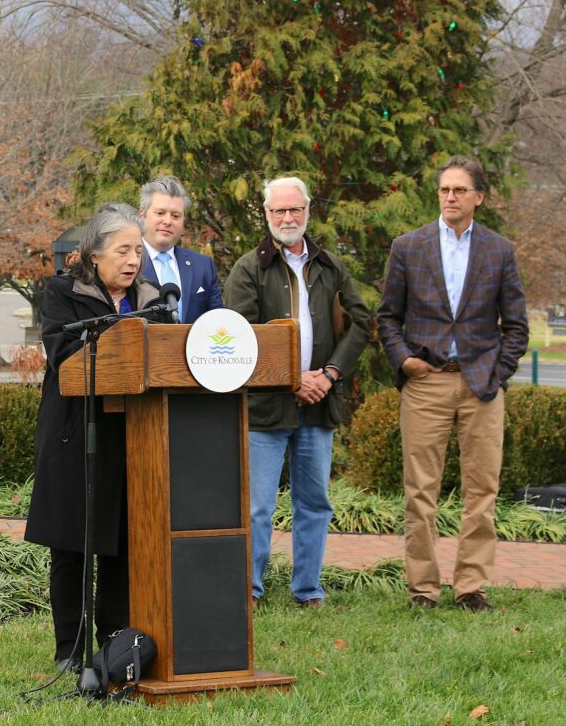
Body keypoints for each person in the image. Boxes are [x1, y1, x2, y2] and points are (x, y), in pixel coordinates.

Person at [377, 156, 528, 612]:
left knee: (481, 491)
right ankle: (423, 589)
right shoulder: (409, 247)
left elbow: (516, 326)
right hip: (426, 384)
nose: (450, 197)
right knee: (420, 491)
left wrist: (497, 374)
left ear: (478, 197)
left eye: (459, 190)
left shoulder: (499, 250)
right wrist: (404, 361)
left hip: (482, 386)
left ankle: (470, 588)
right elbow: (388, 318)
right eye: (444, 190)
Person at [25, 203, 161, 672]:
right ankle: (70, 649)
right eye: (123, 250)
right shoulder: (64, 292)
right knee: (72, 546)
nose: (133, 260)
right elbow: (62, 353)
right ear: (95, 253)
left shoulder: (153, 297)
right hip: (73, 434)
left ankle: (112, 647)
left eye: (138, 251)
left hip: (132, 438)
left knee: (122, 545)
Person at [224, 176, 370, 608]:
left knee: (315, 503)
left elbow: (361, 321)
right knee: (257, 508)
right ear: (266, 215)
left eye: (295, 209)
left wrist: (328, 373)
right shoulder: (249, 268)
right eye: (278, 211)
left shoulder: (330, 265)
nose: (288, 217)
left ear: (308, 211)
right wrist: (293, 378)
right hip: (267, 408)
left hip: (319, 405)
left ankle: (308, 591)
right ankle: (250, 590)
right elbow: (240, 336)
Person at [136, 176, 223, 324]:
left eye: (175, 216)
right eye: (160, 213)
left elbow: (217, 321)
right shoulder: (129, 263)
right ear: (142, 216)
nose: (168, 221)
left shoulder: (203, 266)